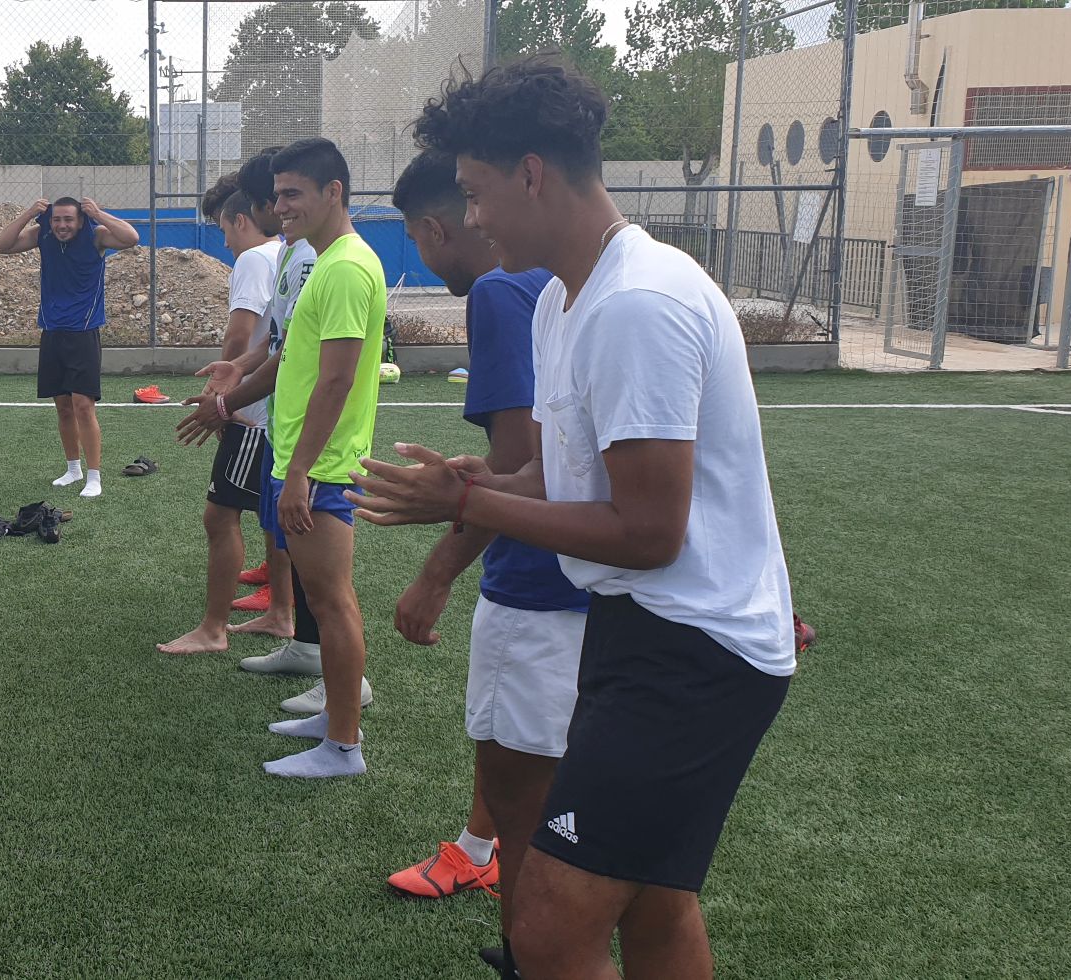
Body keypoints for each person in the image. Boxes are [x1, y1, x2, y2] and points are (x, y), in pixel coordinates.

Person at [349, 56, 795, 979]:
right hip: (639, 630)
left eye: (476, 193)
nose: (472, 218)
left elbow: (649, 533)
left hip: (694, 651)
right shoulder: (562, 297)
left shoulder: (636, 303)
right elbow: (560, 477)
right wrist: (483, 482)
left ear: (531, 175)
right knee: (656, 901)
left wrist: (467, 504)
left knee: (550, 925)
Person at [379, 150, 588, 945]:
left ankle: (530, 947)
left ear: (436, 228)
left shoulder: (501, 290)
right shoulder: (577, 278)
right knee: (522, 756)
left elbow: (518, 461)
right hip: (605, 581)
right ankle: (474, 849)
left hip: (538, 581)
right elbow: (542, 459)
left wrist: (435, 574)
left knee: (524, 786)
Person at [245, 138, 386, 778]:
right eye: (277, 195)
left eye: (293, 194)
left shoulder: (347, 267)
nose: (281, 207)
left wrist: (300, 470)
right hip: (306, 460)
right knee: (327, 602)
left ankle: (343, 747)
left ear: (334, 192)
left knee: (331, 603)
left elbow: (337, 379)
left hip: (322, 467)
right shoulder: (328, 262)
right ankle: (334, 716)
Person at [158, 176, 285, 656]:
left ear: (242, 219)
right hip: (268, 405)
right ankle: (281, 612)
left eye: (224, 229)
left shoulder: (254, 259)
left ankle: (213, 630)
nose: (225, 242)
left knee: (220, 515)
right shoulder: (287, 254)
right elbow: (279, 339)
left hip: (253, 411)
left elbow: (241, 333)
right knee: (271, 515)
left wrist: (219, 396)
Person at [0, 195, 140, 498]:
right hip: (52, 331)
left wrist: (98, 213)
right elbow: (1, 246)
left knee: (83, 405)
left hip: (83, 332)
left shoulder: (97, 236)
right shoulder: (42, 234)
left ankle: (94, 476)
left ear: (81, 220)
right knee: (62, 406)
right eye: (57, 219)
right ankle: (73, 469)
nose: (62, 225)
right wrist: (29, 213)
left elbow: (131, 238)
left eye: (69, 219)